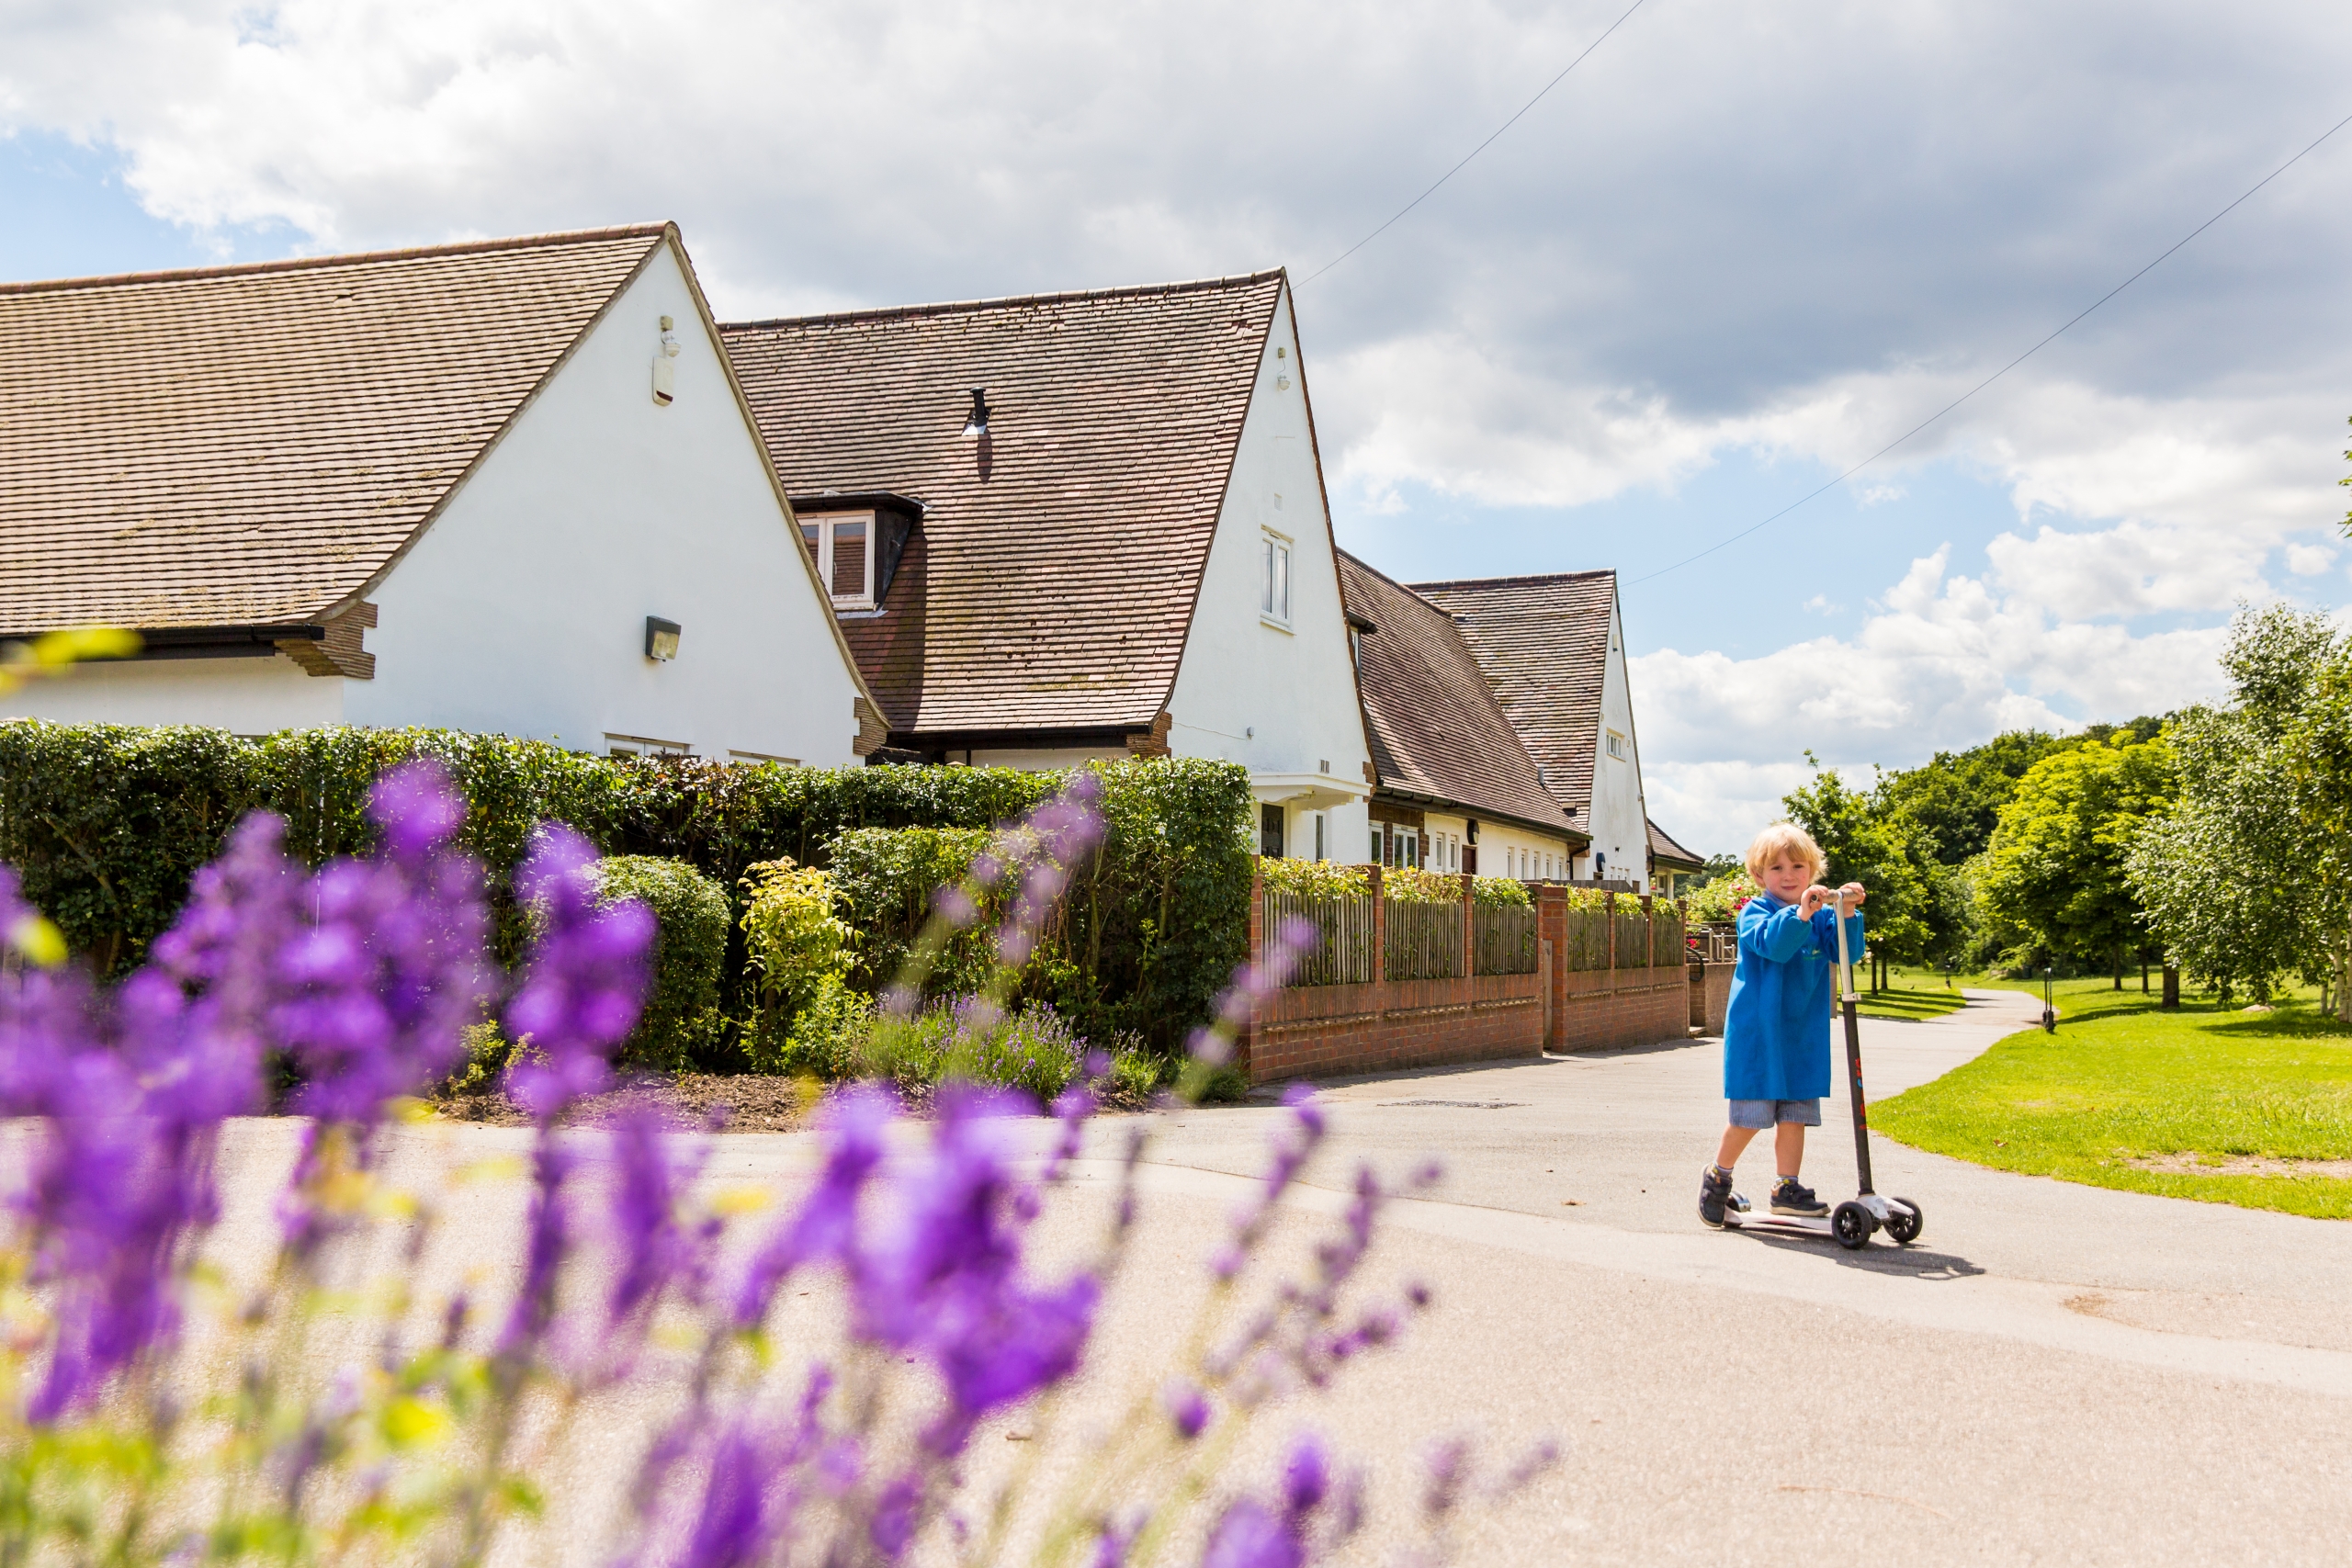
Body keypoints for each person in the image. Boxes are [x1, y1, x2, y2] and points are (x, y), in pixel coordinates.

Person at [1699, 822, 1864, 1228]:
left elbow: (1849, 954)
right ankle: (1718, 1175)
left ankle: (1786, 1187)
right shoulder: (1754, 913)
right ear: (1759, 876)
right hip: (1760, 1034)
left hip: (1802, 1035)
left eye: (1797, 866)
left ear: (1813, 871)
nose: (1788, 875)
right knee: (1750, 1116)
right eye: (1776, 868)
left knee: (1796, 1113)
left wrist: (1847, 912)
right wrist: (1802, 912)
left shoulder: (1823, 918)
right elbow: (1774, 944)